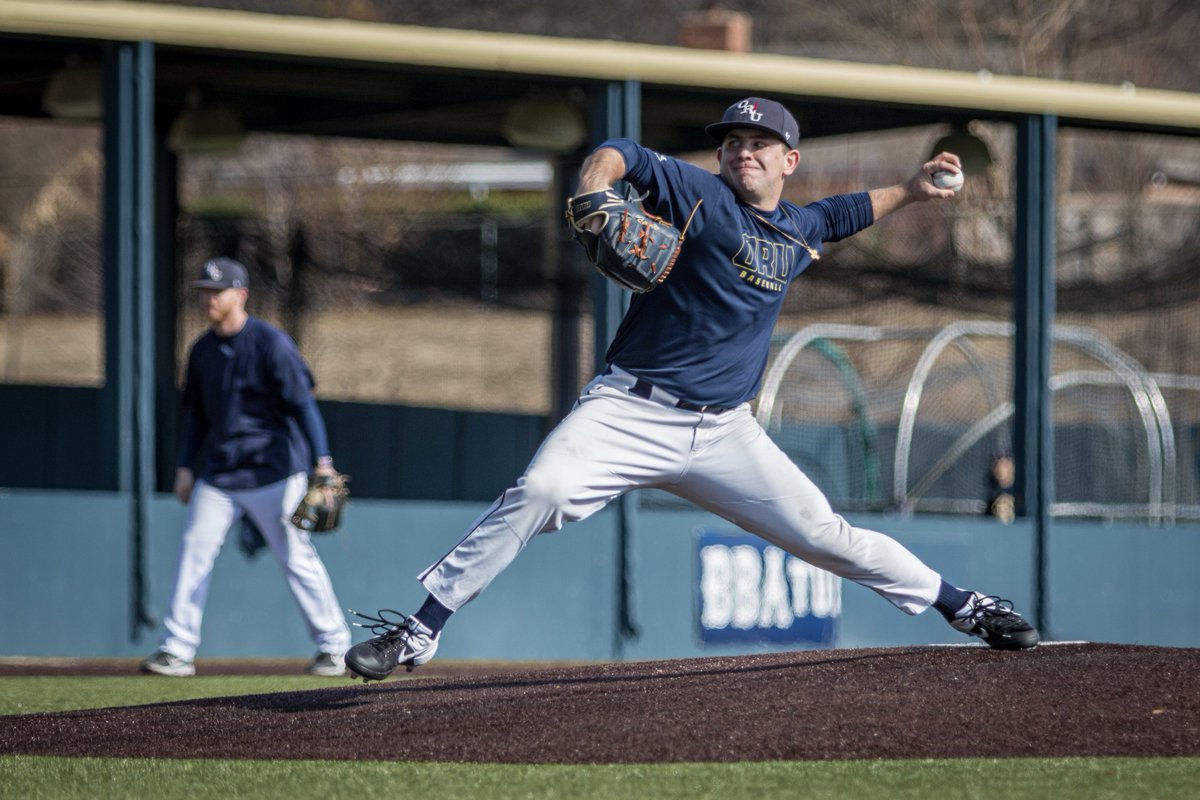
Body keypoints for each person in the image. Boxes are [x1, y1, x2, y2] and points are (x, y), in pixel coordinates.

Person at [344, 97, 1039, 681]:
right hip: (629, 410)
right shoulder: (698, 193)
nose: (745, 152)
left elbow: (850, 210)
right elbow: (623, 151)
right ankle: (419, 629)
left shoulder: (800, 228)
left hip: (725, 433)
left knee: (827, 535)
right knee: (543, 492)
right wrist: (594, 186)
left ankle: (962, 605)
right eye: (735, 141)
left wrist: (916, 189)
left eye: (762, 143)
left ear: (789, 160)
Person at [141, 257, 352, 677]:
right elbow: (197, 418)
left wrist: (322, 463)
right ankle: (177, 648)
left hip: (274, 471)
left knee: (295, 555)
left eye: (216, 292)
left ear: (241, 295)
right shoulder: (202, 351)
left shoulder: (271, 343)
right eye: (204, 291)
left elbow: (303, 405)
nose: (208, 299)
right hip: (220, 474)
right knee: (194, 552)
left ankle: (334, 646)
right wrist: (185, 467)